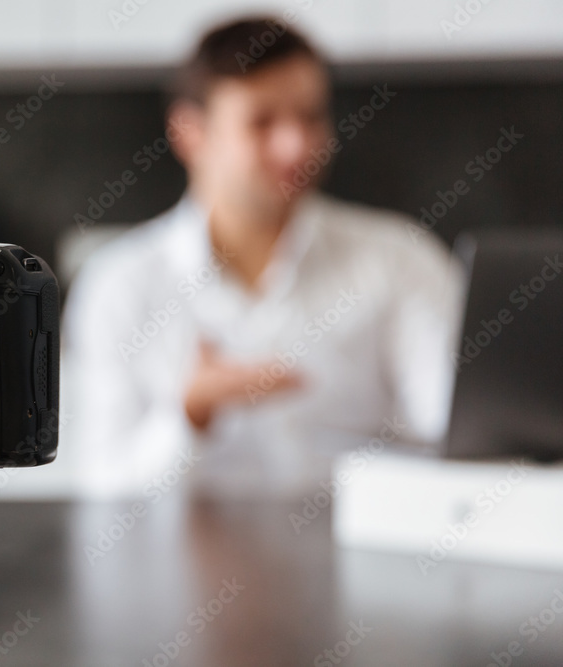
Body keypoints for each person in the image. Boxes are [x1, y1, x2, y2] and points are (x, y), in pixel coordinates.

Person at [63, 18, 464, 499]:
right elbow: (103, 487)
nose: (296, 146)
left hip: (362, 555)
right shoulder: (118, 284)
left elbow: (457, 427)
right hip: (183, 568)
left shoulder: (402, 259)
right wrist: (189, 415)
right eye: (262, 122)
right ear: (191, 134)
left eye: (311, 117)